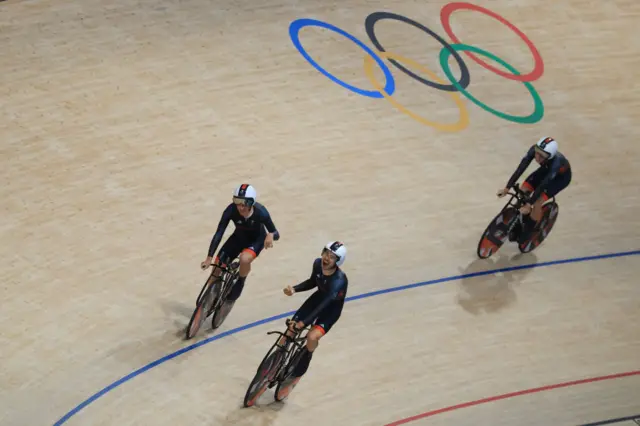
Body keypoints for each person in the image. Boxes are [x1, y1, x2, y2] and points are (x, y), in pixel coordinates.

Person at [276, 241, 349, 400]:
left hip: (329, 310)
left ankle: (304, 360)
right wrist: (294, 289)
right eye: (326, 253)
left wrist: (304, 323)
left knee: (311, 337)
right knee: (289, 331)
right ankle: (274, 362)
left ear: (338, 261)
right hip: (317, 299)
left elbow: (323, 306)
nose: (327, 258)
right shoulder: (317, 263)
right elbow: (312, 282)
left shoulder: (339, 281)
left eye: (332, 257)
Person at [201, 184, 280, 304]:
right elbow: (219, 233)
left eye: (244, 203)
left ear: (251, 203)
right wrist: (209, 257)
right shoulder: (231, 210)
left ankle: (241, 281)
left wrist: (271, 235)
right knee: (217, 268)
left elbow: (276, 233)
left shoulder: (261, 212)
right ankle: (206, 304)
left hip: (256, 241)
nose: (240, 207)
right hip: (238, 238)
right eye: (237, 202)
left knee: (244, 258)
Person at [497, 137, 572, 243]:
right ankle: (520, 221)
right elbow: (521, 168)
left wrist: (529, 203)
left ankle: (529, 231)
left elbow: (543, 185)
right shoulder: (534, 150)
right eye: (537, 153)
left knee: (537, 202)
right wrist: (507, 187)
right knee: (523, 191)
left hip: (559, 179)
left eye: (542, 156)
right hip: (545, 171)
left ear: (549, 157)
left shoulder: (556, 163)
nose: (537, 157)